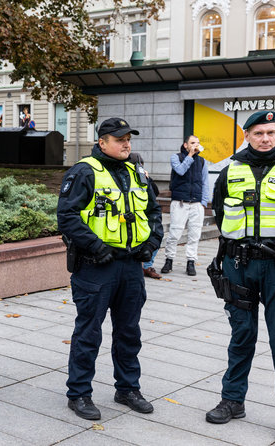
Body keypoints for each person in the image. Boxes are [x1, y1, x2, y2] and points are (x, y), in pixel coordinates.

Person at [206, 111, 275, 443]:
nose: (265, 138)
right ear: (247, 135)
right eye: (258, 133)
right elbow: (221, 213)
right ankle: (232, 401)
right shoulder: (230, 171)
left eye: (270, 132)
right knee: (241, 336)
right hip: (239, 266)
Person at [57, 117, 163, 420]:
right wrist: (96, 246)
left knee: (129, 332)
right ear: (102, 142)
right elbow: (67, 216)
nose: (126, 144)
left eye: (128, 138)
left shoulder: (137, 171)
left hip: (131, 267)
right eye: (119, 139)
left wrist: (151, 243)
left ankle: (128, 388)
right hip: (96, 267)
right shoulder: (84, 171)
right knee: (88, 332)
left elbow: (154, 211)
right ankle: (79, 393)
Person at [160, 135, 210, 276]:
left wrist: (203, 203)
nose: (196, 145)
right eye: (193, 143)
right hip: (180, 202)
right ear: (186, 145)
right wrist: (190, 155)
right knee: (175, 234)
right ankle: (169, 259)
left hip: (197, 203)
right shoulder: (176, 157)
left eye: (198, 143)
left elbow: (205, 182)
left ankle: (191, 262)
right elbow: (180, 170)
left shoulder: (201, 161)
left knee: (194, 235)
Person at [127, 152, 162, 280]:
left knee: (153, 241)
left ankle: (147, 266)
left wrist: (147, 179)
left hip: (143, 220)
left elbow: (155, 193)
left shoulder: (143, 178)